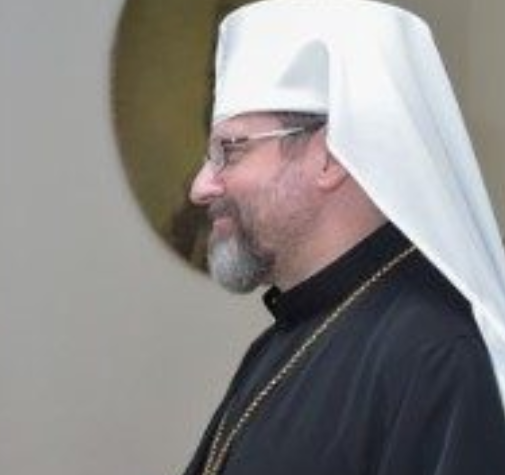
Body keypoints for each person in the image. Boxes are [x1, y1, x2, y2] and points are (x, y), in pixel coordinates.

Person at [181, 1, 505, 474]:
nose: (200, 187)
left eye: (229, 150)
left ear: (330, 157)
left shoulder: (434, 354)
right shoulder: (280, 342)